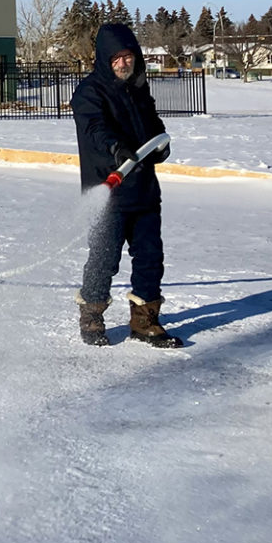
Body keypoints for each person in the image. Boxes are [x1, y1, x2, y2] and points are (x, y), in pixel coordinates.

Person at [71, 23, 181, 348]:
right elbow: (94, 127)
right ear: (105, 59)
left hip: (144, 190)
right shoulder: (89, 92)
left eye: (128, 56)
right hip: (109, 190)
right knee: (105, 258)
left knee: (150, 257)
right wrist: (116, 147)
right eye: (116, 57)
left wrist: (161, 144)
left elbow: (154, 125)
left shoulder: (138, 89)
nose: (123, 63)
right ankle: (91, 315)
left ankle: (145, 321)